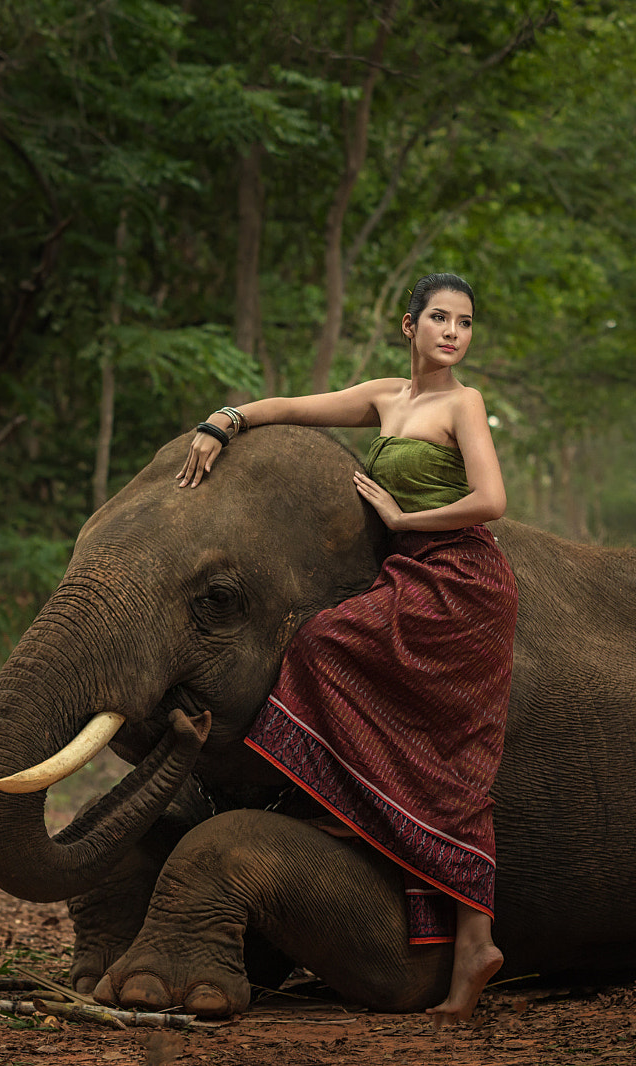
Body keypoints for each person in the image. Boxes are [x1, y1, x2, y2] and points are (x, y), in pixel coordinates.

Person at [176, 273, 516, 1024]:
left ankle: (471, 942)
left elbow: (492, 500)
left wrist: (400, 513)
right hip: (412, 575)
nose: (453, 333)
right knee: (413, 738)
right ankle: (381, 834)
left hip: (461, 582)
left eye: (465, 321)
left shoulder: (464, 403)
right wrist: (223, 419)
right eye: (439, 318)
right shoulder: (387, 397)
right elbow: (290, 408)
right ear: (409, 324)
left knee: (443, 750)